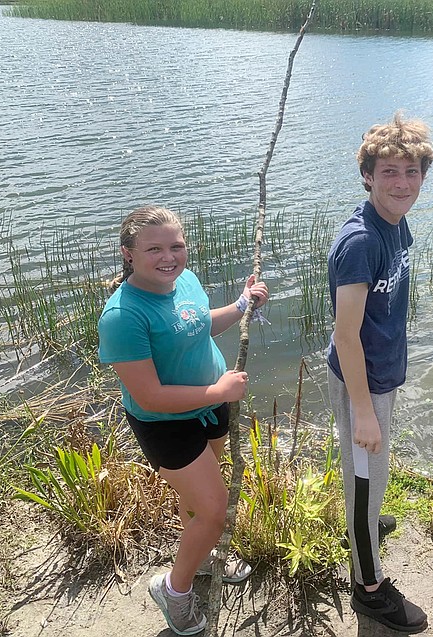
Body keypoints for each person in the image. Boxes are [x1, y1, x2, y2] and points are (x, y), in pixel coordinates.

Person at [98, 205, 269, 636]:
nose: (168, 257)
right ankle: (174, 591)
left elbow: (197, 326)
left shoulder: (184, 281)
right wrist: (220, 392)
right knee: (213, 511)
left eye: (176, 245)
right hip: (165, 423)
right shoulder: (123, 316)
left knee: (201, 505)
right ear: (128, 254)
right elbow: (149, 395)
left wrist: (241, 303)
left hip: (210, 408)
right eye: (153, 248)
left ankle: (204, 555)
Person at [327, 113, 433, 633]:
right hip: (359, 383)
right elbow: (345, 336)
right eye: (389, 172)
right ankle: (368, 587)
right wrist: (363, 410)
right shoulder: (361, 242)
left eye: (411, 172)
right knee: (366, 480)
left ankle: (362, 527)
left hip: (381, 375)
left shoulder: (397, 222)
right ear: (367, 175)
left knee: (370, 476)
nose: (402, 184)